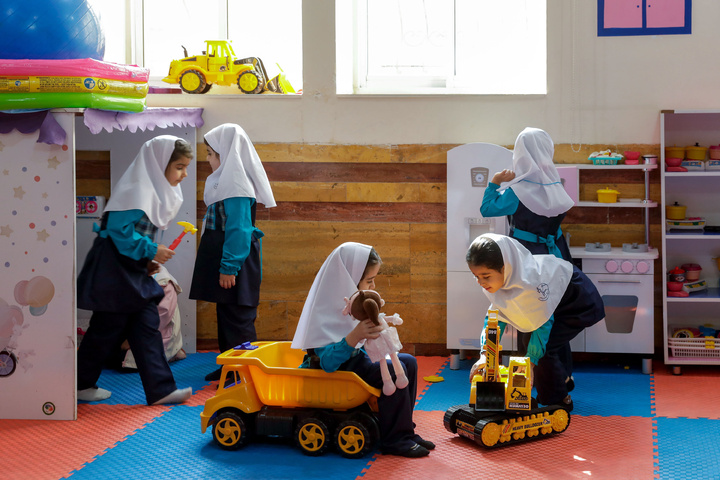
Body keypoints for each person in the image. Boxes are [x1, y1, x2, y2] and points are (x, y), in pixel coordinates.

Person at [76, 136, 194, 405]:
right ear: (158, 164)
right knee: (106, 328)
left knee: (145, 325)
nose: (184, 173)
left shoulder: (153, 191)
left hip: (129, 269)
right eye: (178, 166)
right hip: (114, 269)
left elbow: (136, 236)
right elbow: (118, 232)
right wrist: (151, 251)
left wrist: (147, 259)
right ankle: (81, 384)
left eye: (185, 167)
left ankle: (161, 389)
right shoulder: (136, 190)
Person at [291, 242, 434, 458]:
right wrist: (353, 337)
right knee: (396, 371)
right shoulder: (324, 310)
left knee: (409, 363)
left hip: (356, 364)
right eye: (369, 281)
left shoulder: (353, 304)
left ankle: (404, 429)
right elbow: (327, 364)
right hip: (338, 374)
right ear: (347, 281)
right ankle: (394, 439)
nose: (373, 286)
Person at [466, 233, 605, 411]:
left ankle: (559, 402)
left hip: (578, 303)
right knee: (528, 343)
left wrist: (531, 362)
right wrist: (485, 354)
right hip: (554, 304)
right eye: (476, 276)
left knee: (542, 351)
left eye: (486, 276)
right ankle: (562, 380)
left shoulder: (529, 284)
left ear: (506, 268)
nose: (480, 282)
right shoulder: (504, 280)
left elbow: (543, 324)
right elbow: (495, 318)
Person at [189, 124, 276, 381]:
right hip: (226, 259)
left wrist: (229, 267)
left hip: (234, 263)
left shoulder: (236, 185)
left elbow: (238, 229)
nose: (207, 159)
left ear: (225, 154)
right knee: (226, 313)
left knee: (238, 317)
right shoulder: (226, 182)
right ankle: (231, 366)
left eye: (210, 154)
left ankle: (246, 373)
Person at [480, 127, 574, 260]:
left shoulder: (517, 192)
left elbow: (487, 209)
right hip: (558, 252)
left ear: (519, 153)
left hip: (527, 256)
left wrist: (495, 182)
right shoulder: (556, 185)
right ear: (548, 150)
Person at [114, 265, 186, 370]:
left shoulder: (162, 281)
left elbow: (159, 319)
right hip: (136, 329)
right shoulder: (128, 272)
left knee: (118, 361)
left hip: (151, 333)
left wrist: (130, 341)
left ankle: (172, 352)